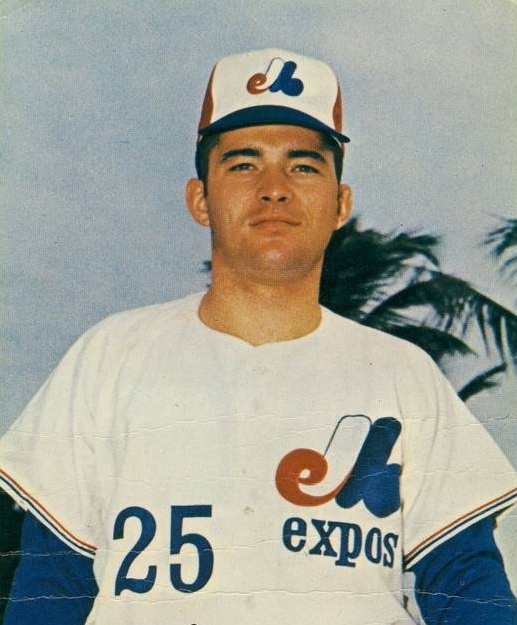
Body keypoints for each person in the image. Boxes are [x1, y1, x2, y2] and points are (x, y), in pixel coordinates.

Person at [0, 48, 516, 625]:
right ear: (200, 198)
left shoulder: (400, 373)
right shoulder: (110, 358)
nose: (275, 188)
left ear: (340, 203)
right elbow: (51, 585)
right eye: (244, 164)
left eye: (304, 165)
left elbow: (468, 585)